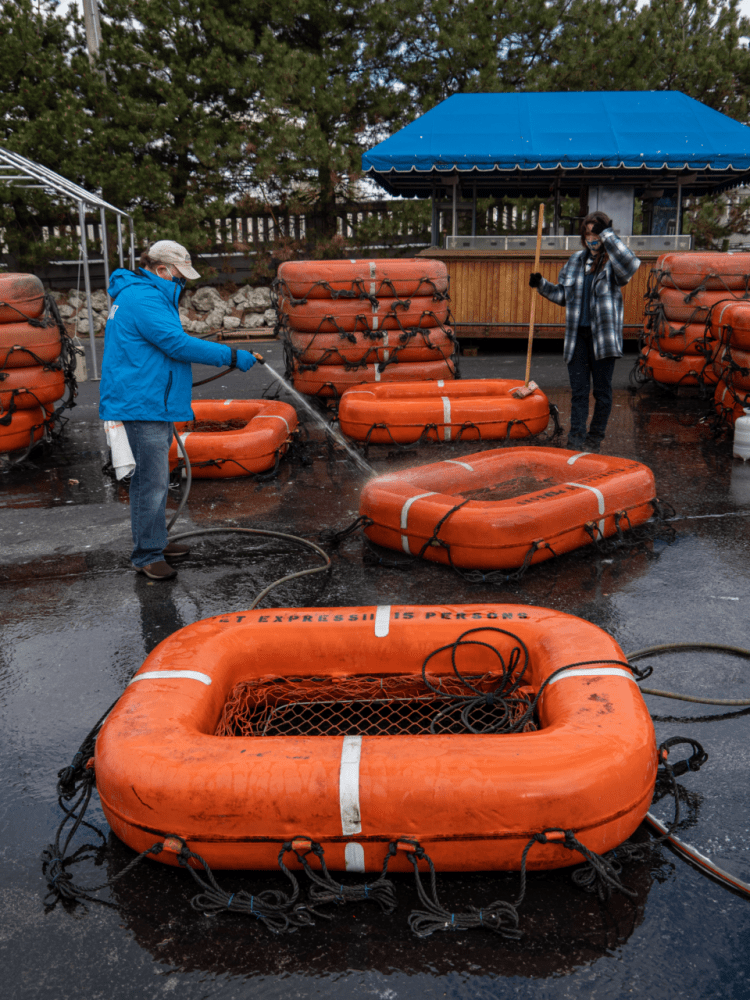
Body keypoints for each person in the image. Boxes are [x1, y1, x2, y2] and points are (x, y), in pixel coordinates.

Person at [99, 239, 264, 580]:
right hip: (142, 403)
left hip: (149, 399)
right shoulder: (144, 298)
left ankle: (155, 541)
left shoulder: (144, 294)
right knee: (151, 482)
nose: (182, 282)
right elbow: (176, 344)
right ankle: (147, 555)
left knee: (156, 478)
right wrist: (232, 356)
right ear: (162, 269)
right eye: (179, 275)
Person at [529, 211, 640, 452]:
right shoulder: (575, 261)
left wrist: (607, 234)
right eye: (588, 234)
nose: (591, 239)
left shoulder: (614, 263)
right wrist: (542, 285)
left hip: (603, 339)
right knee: (579, 392)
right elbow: (563, 295)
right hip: (577, 337)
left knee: (602, 393)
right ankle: (576, 440)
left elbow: (631, 264)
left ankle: (594, 440)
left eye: (596, 234)